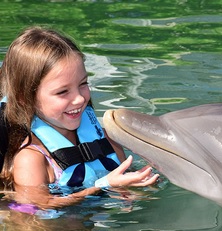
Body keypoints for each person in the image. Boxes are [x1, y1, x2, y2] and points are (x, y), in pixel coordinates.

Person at [0, 26, 159, 210]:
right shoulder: (32, 159)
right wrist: (103, 186)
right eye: (62, 91)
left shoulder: (106, 139)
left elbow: (123, 179)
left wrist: (136, 184)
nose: (80, 98)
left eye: (83, 84)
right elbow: (38, 209)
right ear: (25, 99)